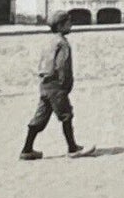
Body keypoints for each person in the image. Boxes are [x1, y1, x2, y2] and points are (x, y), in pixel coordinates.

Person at [20, 11, 91, 160]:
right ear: (60, 25)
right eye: (68, 22)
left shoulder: (50, 42)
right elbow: (62, 66)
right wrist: (65, 85)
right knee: (66, 115)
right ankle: (73, 148)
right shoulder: (63, 43)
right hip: (56, 86)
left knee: (40, 118)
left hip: (45, 84)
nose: (70, 25)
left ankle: (27, 149)